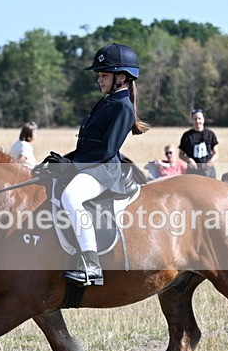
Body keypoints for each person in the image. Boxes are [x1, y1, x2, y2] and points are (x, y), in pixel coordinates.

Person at [37, 43, 149, 286]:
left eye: (104, 75)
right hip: (92, 166)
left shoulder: (122, 106)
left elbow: (107, 150)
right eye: (99, 75)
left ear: (121, 78)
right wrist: (63, 161)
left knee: (71, 197)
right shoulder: (107, 101)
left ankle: (91, 263)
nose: (99, 80)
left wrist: (71, 165)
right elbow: (89, 145)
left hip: (105, 172)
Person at [178, 108, 219, 179]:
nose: (197, 121)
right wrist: (189, 160)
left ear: (203, 119)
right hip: (193, 171)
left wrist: (211, 161)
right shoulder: (187, 136)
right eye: (195, 119)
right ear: (192, 120)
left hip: (208, 171)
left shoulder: (210, 134)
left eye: (199, 118)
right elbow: (181, 154)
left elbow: (216, 153)